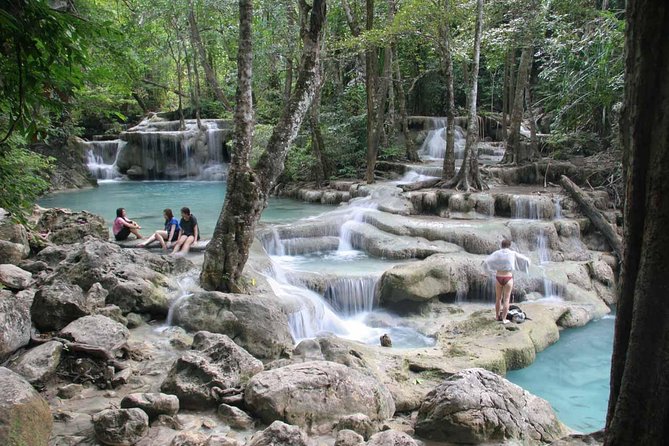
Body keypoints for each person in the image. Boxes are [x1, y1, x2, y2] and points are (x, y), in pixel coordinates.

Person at [483, 239, 530, 324]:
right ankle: (504, 319)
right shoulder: (512, 253)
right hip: (508, 277)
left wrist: (487, 271)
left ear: (501, 245)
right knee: (506, 299)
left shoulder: (497, 253)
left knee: (498, 298)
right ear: (509, 245)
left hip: (498, 277)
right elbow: (525, 260)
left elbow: (486, 261)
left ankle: (497, 316)